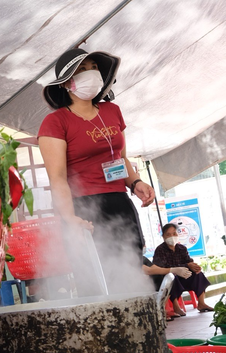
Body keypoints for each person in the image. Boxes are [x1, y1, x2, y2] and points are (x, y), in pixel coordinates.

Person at [38, 47, 156, 293]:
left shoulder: (112, 111)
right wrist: (70, 219)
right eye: (81, 70)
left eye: (93, 68)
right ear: (66, 83)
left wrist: (135, 183)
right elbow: (57, 179)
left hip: (120, 203)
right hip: (83, 209)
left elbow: (121, 158)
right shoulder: (56, 122)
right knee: (96, 281)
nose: (90, 73)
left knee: (131, 271)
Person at [150, 224, 213, 316]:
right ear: (163, 236)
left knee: (198, 274)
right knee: (171, 276)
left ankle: (201, 303)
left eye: (174, 233)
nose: (172, 236)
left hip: (184, 277)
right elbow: (164, 267)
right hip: (169, 278)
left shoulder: (182, 248)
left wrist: (193, 266)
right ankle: (176, 307)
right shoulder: (160, 250)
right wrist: (186, 265)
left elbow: (188, 261)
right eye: (168, 234)